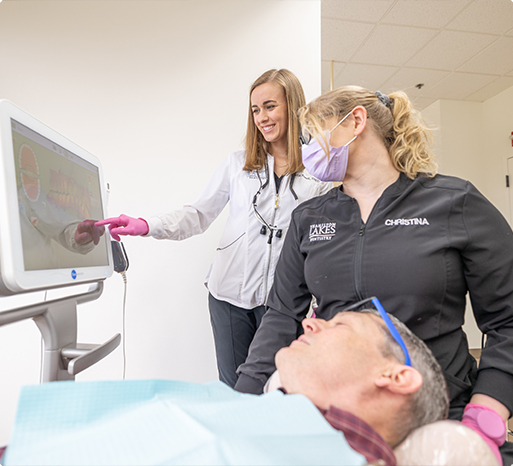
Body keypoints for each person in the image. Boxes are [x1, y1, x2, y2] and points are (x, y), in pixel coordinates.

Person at [235, 85, 513, 464]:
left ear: (356, 122)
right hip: (340, 416)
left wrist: (488, 408)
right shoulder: (310, 218)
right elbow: (282, 316)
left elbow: (507, 319)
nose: (306, 149)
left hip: (440, 412)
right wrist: (240, 403)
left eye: (313, 135)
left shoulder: (454, 202)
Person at [95, 69, 332, 387]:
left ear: (293, 106)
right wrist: (146, 225)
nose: (262, 117)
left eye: (270, 106)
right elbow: (197, 215)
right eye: (255, 109)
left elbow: (323, 243)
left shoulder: (319, 174)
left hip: (283, 303)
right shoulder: (237, 165)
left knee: (277, 388)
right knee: (233, 388)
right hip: (228, 297)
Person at [2, 300, 451, 466]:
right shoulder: (277, 417)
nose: (311, 324)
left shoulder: (344, 452)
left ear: (395, 376)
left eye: (339, 326)